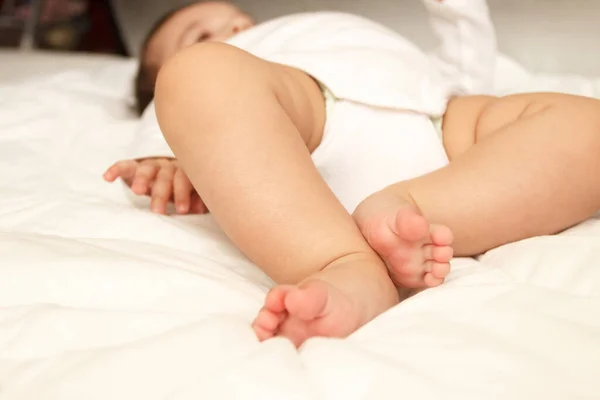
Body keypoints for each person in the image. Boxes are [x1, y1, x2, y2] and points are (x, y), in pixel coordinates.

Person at [104, 0, 600, 347]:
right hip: (313, 119)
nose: (234, 29)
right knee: (199, 76)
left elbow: (467, 71)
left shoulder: (321, 31)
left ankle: (414, 210)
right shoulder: (257, 56)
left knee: (589, 125)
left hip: (445, 122)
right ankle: (344, 262)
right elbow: (184, 111)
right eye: (202, 32)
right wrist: (166, 155)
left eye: (236, 18)